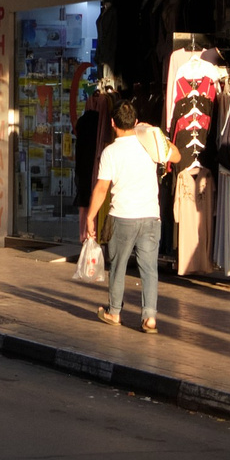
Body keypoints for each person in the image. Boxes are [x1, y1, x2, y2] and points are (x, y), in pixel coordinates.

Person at [83, 99, 177, 332]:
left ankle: (114, 312)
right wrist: (155, 133)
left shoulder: (110, 152)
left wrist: (90, 217)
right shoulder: (150, 144)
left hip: (122, 217)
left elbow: (102, 188)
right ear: (136, 122)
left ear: (112, 123)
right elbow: (176, 156)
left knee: (118, 267)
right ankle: (150, 318)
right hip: (150, 217)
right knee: (149, 269)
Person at [73, 79, 112, 222]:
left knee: (85, 202)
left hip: (83, 169)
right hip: (95, 164)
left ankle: (86, 230)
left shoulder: (83, 122)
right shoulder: (103, 122)